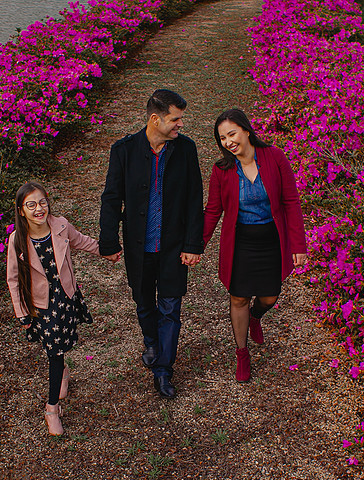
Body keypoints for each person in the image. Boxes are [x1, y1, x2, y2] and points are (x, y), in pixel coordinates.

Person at [98, 89, 205, 399]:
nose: (179, 125)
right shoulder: (124, 151)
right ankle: (152, 343)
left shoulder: (185, 150)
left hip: (173, 248)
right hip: (138, 247)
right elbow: (111, 198)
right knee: (144, 303)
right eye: (175, 119)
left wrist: (193, 244)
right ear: (155, 119)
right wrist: (109, 241)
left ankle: (163, 370)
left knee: (171, 309)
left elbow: (194, 198)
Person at [202, 108, 306, 382]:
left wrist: (298, 245)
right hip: (240, 242)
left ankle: (256, 317)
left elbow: (291, 202)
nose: (228, 142)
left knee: (270, 295)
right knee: (238, 297)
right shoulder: (222, 170)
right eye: (222, 138)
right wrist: (197, 245)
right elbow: (213, 210)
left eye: (232, 134)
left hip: (271, 239)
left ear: (246, 131)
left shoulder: (275, 157)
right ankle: (242, 353)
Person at [6, 181, 111, 435]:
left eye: (42, 202)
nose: (38, 209)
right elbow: (13, 279)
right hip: (42, 306)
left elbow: (82, 241)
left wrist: (109, 251)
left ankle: (62, 372)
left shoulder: (61, 225)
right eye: (31, 205)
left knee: (61, 346)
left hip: (65, 297)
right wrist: (21, 313)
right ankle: (52, 408)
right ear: (22, 211)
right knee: (55, 352)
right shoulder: (17, 240)